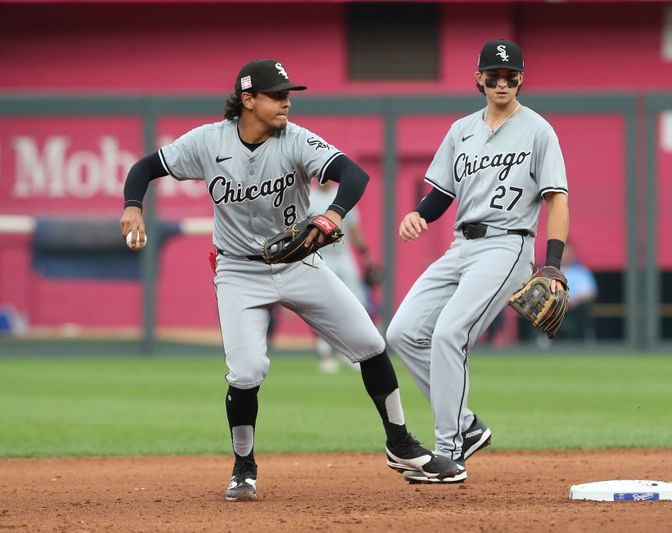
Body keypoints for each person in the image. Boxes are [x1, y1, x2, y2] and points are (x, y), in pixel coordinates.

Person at [119, 59, 458, 501]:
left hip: (299, 262)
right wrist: (132, 204)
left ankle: (401, 444)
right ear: (248, 100)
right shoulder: (207, 142)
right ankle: (244, 466)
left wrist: (332, 214)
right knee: (246, 372)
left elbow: (354, 174)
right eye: (276, 94)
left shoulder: (296, 139)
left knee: (371, 345)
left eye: (287, 93)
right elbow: (145, 167)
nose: (286, 101)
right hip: (239, 269)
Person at [386, 39, 570, 484]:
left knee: (450, 333)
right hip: (460, 246)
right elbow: (443, 193)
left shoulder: (539, 130)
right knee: (403, 332)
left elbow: (556, 200)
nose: (502, 82)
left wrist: (553, 265)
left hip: (507, 246)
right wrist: (418, 214)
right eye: (494, 75)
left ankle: (448, 450)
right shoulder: (461, 130)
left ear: (521, 79)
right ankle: (466, 425)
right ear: (479, 79)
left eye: (510, 76)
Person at [309, 181, 372, 373]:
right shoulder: (309, 198)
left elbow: (354, 228)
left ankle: (351, 352)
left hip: (343, 255)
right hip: (320, 256)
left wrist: (365, 254)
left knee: (356, 303)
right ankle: (325, 354)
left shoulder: (342, 194)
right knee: (321, 306)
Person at [557, 241, 597, 341]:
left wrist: (575, 300)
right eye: (563, 252)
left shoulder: (582, 272)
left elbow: (591, 293)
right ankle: (542, 339)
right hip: (556, 305)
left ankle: (584, 338)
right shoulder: (549, 272)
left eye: (568, 252)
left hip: (576, 306)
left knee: (584, 309)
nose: (565, 255)